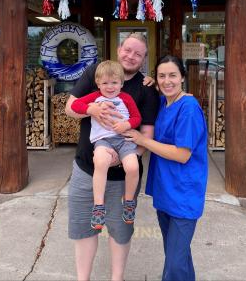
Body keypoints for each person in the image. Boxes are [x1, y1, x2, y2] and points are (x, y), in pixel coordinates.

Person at [65, 32, 158, 281]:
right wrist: (91, 108)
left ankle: (117, 278)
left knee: (120, 231)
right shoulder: (96, 72)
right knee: (84, 229)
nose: (131, 56)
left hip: (122, 173)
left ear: (144, 59)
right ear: (119, 48)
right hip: (87, 167)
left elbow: (146, 132)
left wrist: (127, 154)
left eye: (138, 53)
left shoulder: (146, 88)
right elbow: (70, 107)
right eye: (128, 50)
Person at [126, 55, 208, 281]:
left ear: (182, 77)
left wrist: (142, 141)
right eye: (162, 76)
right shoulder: (163, 103)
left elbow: (182, 155)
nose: (167, 81)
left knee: (173, 264)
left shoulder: (188, 108)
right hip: (165, 191)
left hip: (184, 193)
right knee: (177, 257)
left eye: (173, 75)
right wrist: (150, 82)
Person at [70, 60, 142, 230]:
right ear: (98, 83)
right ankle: (98, 206)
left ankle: (129, 201)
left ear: (122, 83)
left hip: (123, 139)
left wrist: (127, 125)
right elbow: (74, 105)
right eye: (105, 83)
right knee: (100, 162)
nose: (110, 87)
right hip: (103, 140)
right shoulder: (96, 97)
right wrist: (91, 109)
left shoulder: (126, 98)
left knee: (132, 166)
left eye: (115, 83)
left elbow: (136, 118)